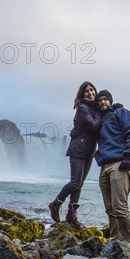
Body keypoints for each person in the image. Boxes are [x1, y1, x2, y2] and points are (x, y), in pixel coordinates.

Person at [48, 81, 101, 228]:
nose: (90, 93)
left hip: (89, 150)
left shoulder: (94, 108)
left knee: (80, 184)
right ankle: (55, 204)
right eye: (87, 91)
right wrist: (100, 113)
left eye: (92, 90)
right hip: (78, 149)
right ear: (82, 94)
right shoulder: (83, 108)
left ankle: (71, 214)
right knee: (75, 182)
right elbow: (94, 125)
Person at [94, 89, 130, 242]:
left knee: (120, 207)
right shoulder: (99, 122)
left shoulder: (121, 112)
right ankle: (114, 239)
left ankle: (128, 243)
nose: (102, 102)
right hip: (104, 166)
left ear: (111, 101)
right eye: (100, 100)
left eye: (106, 99)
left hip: (119, 163)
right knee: (110, 208)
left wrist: (128, 156)